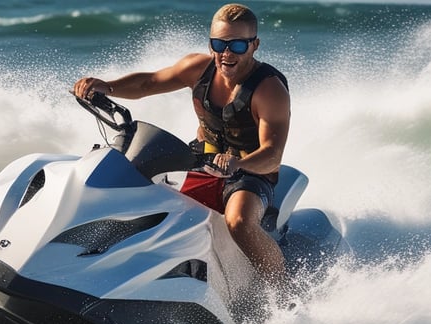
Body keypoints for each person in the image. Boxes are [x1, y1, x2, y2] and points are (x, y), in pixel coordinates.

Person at [73, 3, 291, 291]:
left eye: (237, 45)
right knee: (134, 186)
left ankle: (283, 294)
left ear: (254, 45)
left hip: (249, 171)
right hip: (201, 159)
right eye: (219, 43)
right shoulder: (198, 69)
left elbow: (272, 156)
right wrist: (107, 87)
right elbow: (148, 84)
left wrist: (238, 164)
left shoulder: (269, 89)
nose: (226, 53)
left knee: (238, 222)